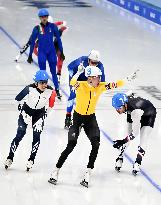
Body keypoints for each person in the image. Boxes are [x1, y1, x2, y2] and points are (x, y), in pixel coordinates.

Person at [48, 65, 125, 188]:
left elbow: (115, 84)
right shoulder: (81, 85)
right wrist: (78, 72)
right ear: (90, 78)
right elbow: (72, 81)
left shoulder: (100, 86)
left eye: (99, 77)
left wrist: (127, 79)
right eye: (97, 77)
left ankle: (88, 172)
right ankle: (56, 170)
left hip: (90, 119)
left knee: (96, 144)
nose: (99, 80)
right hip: (78, 119)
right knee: (71, 145)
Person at [4, 70, 56, 171]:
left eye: (46, 82)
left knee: (36, 136)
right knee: (20, 134)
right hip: (26, 111)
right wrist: (23, 113)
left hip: (39, 114)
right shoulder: (29, 88)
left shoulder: (51, 91)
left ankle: (31, 159)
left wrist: (43, 117)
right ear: (36, 83)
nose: (44, 85)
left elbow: (50, 106)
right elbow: (16, 100)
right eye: (42, 82)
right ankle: (10, 157)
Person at [112, 92, 157, 176]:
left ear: (125, 105)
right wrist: (124, 140)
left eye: (119, 108)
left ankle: (138, 162)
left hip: (149, 114)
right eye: (116, 108)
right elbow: (129, 93)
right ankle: (120, 157)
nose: (117, 110)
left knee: (144, 137)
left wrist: (122, 141)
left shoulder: (135, 112)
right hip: (133, 111)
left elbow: (135, 133)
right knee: (127, 135)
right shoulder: (126, 103)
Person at [15, 17, 67, 84]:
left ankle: (58, 75)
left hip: (54, 44)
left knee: (61, 57)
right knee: (29, 43)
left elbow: (58, 27)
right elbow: (33, 47)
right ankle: (20, 54)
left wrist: (63, 24)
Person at [27, 8, 65, 100]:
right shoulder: (36, 28)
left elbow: (59, 40)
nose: (44, 18)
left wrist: (61, 52)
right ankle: (42, 92)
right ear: (39, 18)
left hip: (51, 52)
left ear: (47, 17)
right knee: (42, 73)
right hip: (42, 53)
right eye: (42, 17)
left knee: (53, 73)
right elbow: (32, 42)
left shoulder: (53, 27)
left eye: (45, 16)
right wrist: (30, 55)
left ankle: (57, 90)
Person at [64, 49, 106, 129]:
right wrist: (74, 79)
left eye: (96, 63)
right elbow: (69, 68)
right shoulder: (81, 61)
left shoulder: (100, 66)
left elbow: (102, 82)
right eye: (92, 62)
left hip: (89, 80)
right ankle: (68, 115)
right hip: (78, 77)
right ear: (88, 59)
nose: (94, 65)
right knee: (73, 95)